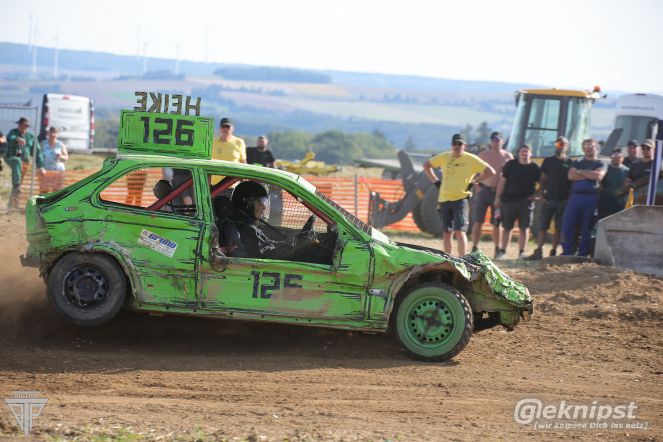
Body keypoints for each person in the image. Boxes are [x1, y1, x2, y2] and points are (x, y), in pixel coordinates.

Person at [423, 134, 495, 256]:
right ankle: (448, 259)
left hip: (460, 200)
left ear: (464, 146)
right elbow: (426, 165)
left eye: (460, 144)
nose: (457, 146)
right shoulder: (445, 156)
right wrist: (435, 181)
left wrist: (475, 181)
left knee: (460, 232)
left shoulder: (471, 159)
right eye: (454, 144)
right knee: (447, 233)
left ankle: (462, 260)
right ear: (451, 145)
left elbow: (490, 171)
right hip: (444, 200)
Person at [231, 181, 314, 261]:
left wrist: (297, 241)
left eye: (264, 202)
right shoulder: (247, 230)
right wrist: (299, 243)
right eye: (260, 202)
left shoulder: (244, 224)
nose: (264, 207)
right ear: (246, 204)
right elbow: (270, 253)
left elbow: (269, 245)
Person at [525, 136, 573, 260]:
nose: (560, 146)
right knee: (543, 226)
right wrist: (540, 193)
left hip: (563, 200)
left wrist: (569, 199)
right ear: (555, 145)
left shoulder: (570, 162)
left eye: (563, 144)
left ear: (567, 146)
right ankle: (538, 251)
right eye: (559, 143)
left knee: (558, 228)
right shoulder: (548, 161)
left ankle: (553, 252)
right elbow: (543, 179)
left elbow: (572, 182)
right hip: (548, 198)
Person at [470, 131, 513, 258]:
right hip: (484, 191)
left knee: (497, 223)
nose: (495, 142)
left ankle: (497, 249)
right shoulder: (483, 155)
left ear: (502, 141)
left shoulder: (508, 156)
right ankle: (474, 247)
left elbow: (511, 175)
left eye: (498, 140)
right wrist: (476, 185)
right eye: (493, 140)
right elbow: (472, 171)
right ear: (490, 141)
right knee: (478, 221)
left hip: (498, 193)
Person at [494, 144, 540, 259]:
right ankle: (503, 252)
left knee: (524, 228)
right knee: (507, 227)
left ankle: (521, 252)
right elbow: (502, 181)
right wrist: (497, 197)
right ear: (518, 153)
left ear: (531, 154)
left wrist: (537, 194)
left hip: (526, 202)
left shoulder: (535, 168)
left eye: (527, 151)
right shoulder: (510, 165)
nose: (525, 153)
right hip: (509, 201)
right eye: (522, 151)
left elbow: (543, 183)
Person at [561, 138, 605, 257]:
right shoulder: (577, 162)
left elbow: (598, 176)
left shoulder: (600, 163)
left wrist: (580, 172)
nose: (589, 148)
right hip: (575, 197)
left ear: (596, 148)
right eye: (586, 146)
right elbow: (571, 176)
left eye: (592, 146)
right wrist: (589, 174)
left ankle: (582, 255)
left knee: (587, 227)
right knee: (569, 225)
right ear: (583, 149)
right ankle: (568, 253)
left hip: (590, 199)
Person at [4, 117, 45, 212]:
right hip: (11, 158)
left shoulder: (31, 137)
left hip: (24, 163)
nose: (21, 127)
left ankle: (12, 207)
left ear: (27, 126)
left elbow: (37, 151)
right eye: (19, 125)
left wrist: (40, 165)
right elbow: (9, 138)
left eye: (23, 125)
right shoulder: (13, 132)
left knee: (18, 185)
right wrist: (17, 138)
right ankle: (16, 186)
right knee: (17, 162)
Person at [211, 117, 246, 185]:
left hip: (232, 184)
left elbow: (243, 163)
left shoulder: (239, 142)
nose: (225, 129)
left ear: (232, 128)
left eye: (228, 127)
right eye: (223, 127)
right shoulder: (212, 142)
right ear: (220, 128)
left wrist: (244, 181)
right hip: (213, 184)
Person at [598, 148, 629, 219]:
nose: (616, 158)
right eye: (614, 156)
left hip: (619, 204)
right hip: (605, 202)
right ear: (611, 157)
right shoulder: (605, 169)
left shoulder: (627, 171)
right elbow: (599, 184)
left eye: (619, 156)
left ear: (622, 158)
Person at [40, 127, 69, 193]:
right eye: (51, 132)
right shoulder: (43, 144)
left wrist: (60, 156)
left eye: (54, 133)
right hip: (45, 171)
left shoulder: (60, 144)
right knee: (44, 191)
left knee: (56, 191)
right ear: (48, 133)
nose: (53, 134)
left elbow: (66, 157)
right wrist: (39, 167)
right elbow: (38, 156)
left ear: (57, 134)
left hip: (58, 171)